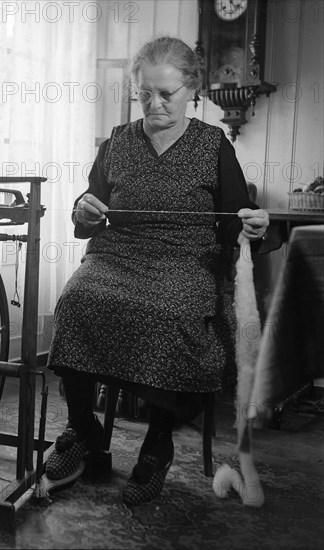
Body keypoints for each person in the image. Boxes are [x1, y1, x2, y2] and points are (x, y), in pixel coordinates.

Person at [45, 36, 269, 505]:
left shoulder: (212, 145)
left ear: (193, 90)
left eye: (166, 93)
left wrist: (252, 226)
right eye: (144, 92)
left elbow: (234, 224)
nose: (154, 103)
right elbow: (88, 212)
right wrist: (83, 214)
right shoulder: (117, 142)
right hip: (117, 256)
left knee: (168, 313)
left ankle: (157, 445)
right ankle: (83, 432)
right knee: (77, 301)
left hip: (185, 263)